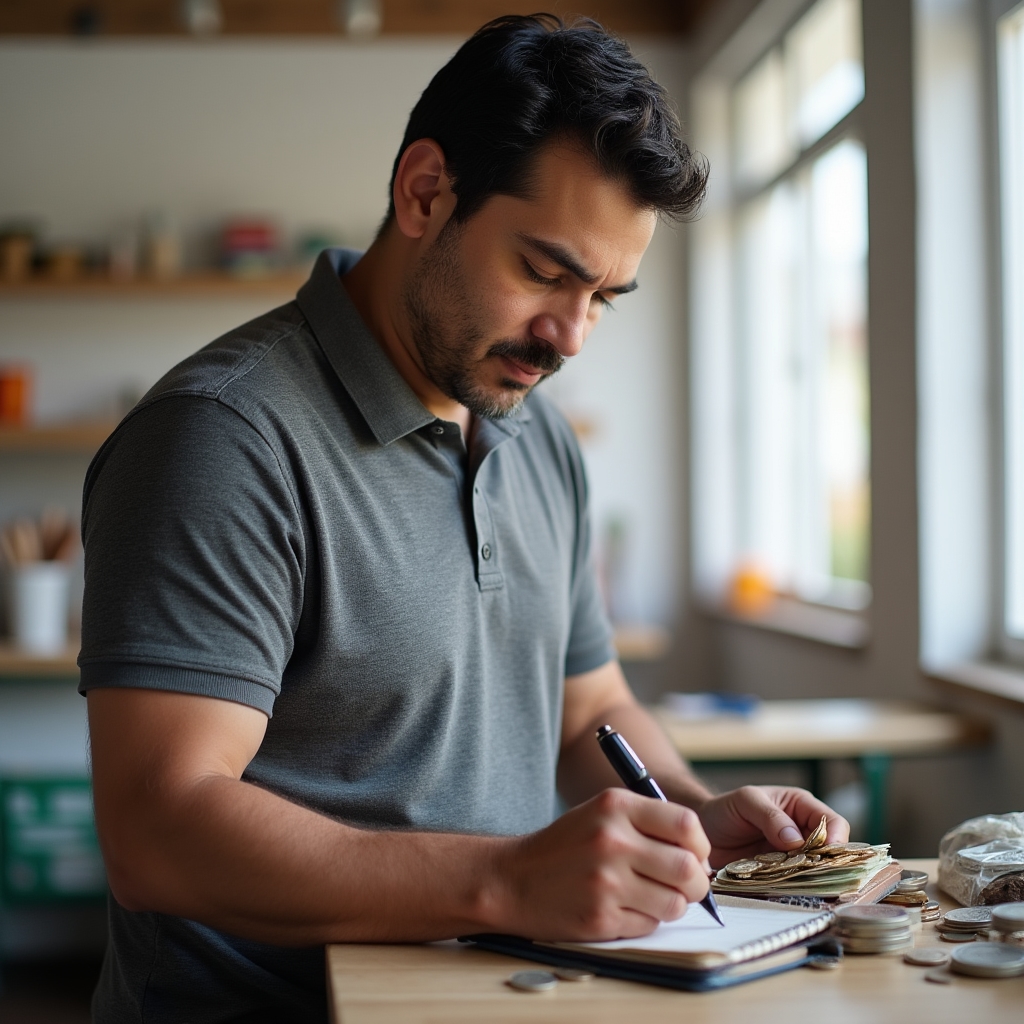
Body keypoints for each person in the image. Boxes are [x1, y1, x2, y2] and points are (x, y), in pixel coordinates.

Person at [82, 14, 848, 1022]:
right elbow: (157, 830)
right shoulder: (222, 439)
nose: (568, 336)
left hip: (501, 996)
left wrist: (687, 810)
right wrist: (506, 879)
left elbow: (585, 711)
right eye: (544, 271)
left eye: (604, 297)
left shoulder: (539, 437)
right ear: (424, 192)